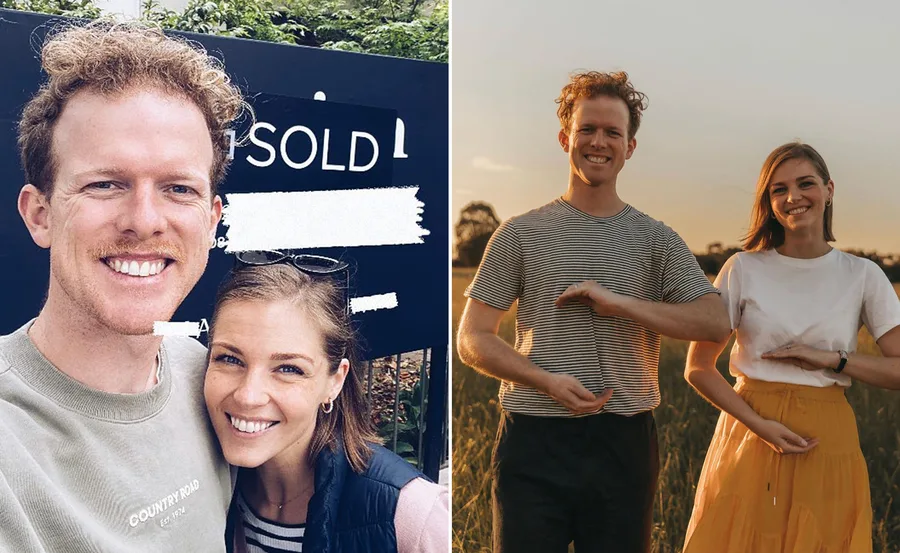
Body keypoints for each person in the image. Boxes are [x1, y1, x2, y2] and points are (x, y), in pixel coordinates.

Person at [456, 71, 731, 553]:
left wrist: (618, 302)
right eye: (587, 130)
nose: (598, 142)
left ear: (630, 147)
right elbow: (473, 338)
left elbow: (713, 321)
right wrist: (545, 381)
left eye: (612, 132)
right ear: (565, 138)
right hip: (533, 439)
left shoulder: (657, 239)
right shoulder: (520, 233)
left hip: (623, 441)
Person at [0, 21, 245, 552]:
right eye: (106, 184)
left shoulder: (209, 379)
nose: (145, 220)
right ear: (39, 215)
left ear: (210, 220)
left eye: (179, 188)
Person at [682, 142, 900, 552]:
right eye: (779, 189)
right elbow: (698, 367)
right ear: (768, 201)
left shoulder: (863, 275)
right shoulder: (743, 268)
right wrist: (758, 425)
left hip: (827, 438)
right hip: (750, 431)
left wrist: (835, 360)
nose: (793, 197)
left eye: (806, 184)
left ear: (829, 189)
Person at [204, 254, 449, 553]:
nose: (248, 395)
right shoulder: (204, 485)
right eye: (230, 359)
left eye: (288, 369)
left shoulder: (413, 516)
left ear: (335, 381)